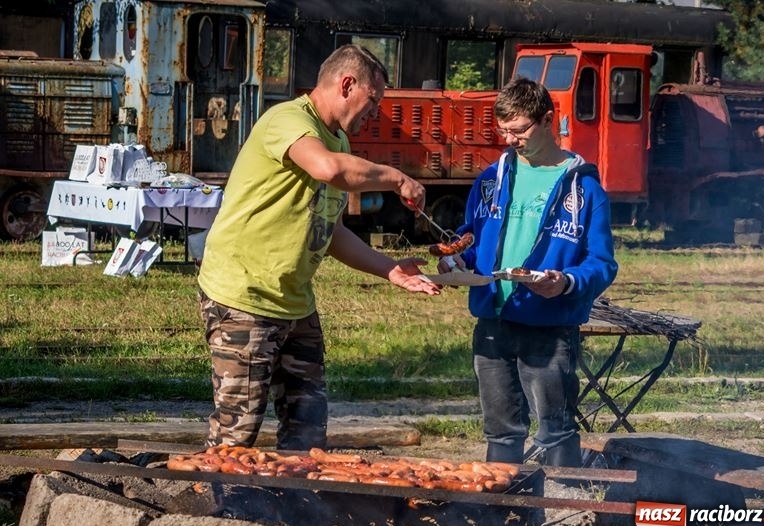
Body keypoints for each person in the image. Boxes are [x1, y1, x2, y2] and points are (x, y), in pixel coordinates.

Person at [197, 44, 440, 451]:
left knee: (308, 435)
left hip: (294, 304)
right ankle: (211, 507)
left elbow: (329, 232)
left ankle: (296, 509)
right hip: (244, 297)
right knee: (236, 435)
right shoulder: (288, 121)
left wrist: (390, 269)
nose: (374, 112)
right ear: (348, 85)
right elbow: (329, 170)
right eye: (373, 100)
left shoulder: (339, 142)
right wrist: (397, 179)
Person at [439, 77, 618, 467]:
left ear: (547, 120)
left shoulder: (584, 187)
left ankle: (569, 508)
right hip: (492, 321)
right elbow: (471, 239)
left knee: (555, 429)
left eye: (519, 130)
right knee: (500, 431)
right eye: (503, 130)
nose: (510, 139)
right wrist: (455, 262)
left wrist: (567, 282)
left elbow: (603, 263)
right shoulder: (491, 179)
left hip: (549, 326)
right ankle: (502, 510)